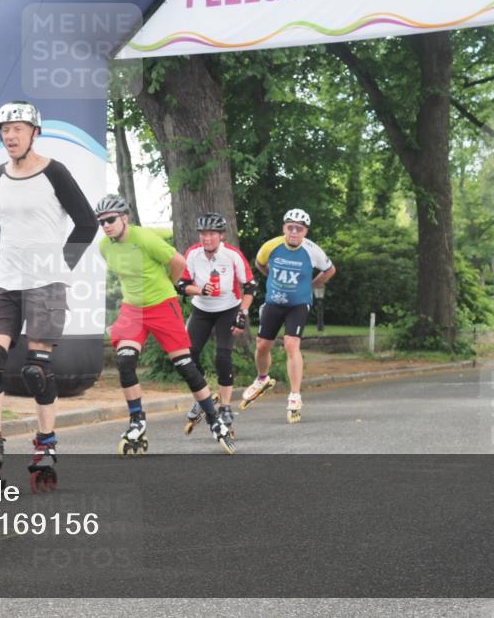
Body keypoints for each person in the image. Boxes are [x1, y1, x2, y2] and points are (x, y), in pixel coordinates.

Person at [0, 101, 96, 494]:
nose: (10, 136)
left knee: (36, 369)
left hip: (45, 282)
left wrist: (61, 267)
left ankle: (45, 446)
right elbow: (2, 232)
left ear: (34, 133)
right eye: (4, 130)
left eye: (18, 129)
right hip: (4, 280)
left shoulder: (55, 172)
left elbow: (87, 223)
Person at [96, 195, 230, 454]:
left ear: (125, 218)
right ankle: (137, 421)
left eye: (111, 219)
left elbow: (178, 263)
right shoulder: (105, 246)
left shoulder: (144, 238)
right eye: (101, 222)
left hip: (162, 306)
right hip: (133, 310)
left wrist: (168, 287)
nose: (106, 225)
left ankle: (215, 420)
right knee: (125, 362)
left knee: (185, 367)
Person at [247, 208, 336, 423]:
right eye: (290, 227)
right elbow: (260, 263)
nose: (294, 232)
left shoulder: (312, 250)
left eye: (300, 228)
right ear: (284, 228)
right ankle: (262, 379)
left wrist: (313, 285)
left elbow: (330, 270)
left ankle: (295, 395)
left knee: (291, 343)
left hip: (298, 304)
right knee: (261, 345)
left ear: (305, 231)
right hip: (274, 302)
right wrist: (271, 277)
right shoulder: (271, 246)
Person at [178, 212, 257, 447]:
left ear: (221, 235)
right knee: (187, 356)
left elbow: (250, 286)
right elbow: (182, 285)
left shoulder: (232, 255)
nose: (207, 238)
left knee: (222, 356)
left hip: (227, 308)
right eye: (203, 233)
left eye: (212, 233)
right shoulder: (192, 253)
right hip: (202, 309)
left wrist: (242, 313)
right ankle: (202, 397)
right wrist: (200, 291)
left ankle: (224, 407)